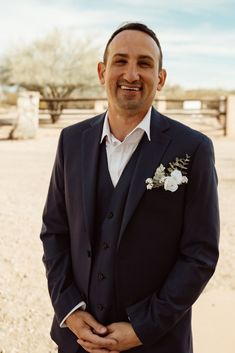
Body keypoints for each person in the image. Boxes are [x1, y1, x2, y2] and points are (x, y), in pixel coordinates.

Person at [40, 22, 219, 353]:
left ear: (161, 79)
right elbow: (55, 231)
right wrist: (70, 310)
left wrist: (142, 327)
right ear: (101, 71)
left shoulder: (192, 148)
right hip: (77, 341)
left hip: (156, 343)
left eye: (145, 64)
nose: (131, 74)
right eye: (120, 61)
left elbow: (200, 254)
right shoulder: (71, 141)